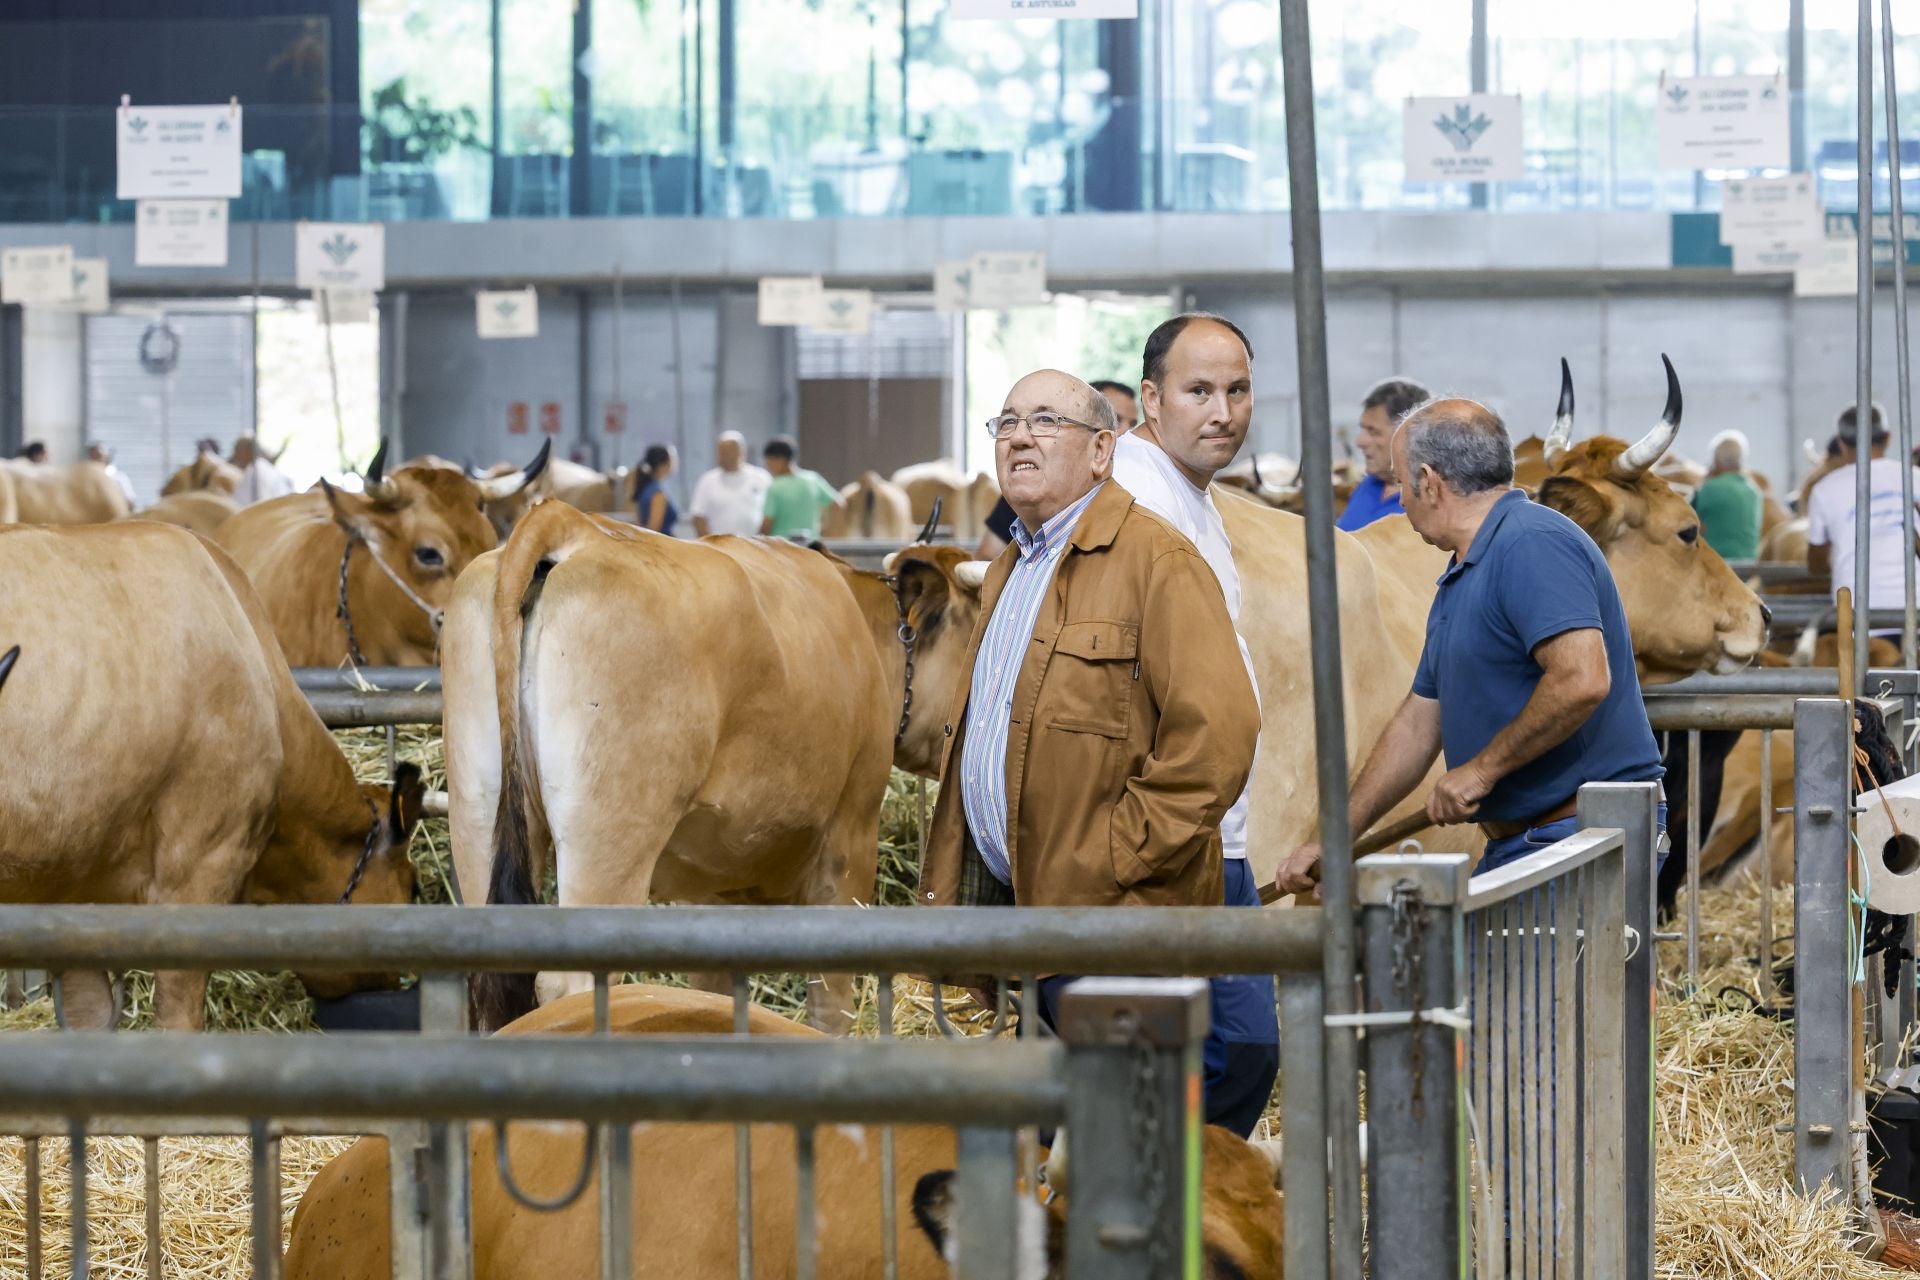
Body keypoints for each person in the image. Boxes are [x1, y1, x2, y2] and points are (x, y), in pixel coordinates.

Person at [918, 367, 1263, 1134]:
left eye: (1045, 421)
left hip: (1116, 919)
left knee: (1117, 1146)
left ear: (1102, 451)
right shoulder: (1014, 564)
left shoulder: (1156, 562)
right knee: (1064, 1142)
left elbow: (1221, 733)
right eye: (1005, 423)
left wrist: (1116, 855)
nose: (1019, 437)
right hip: (1037, 918)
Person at [1274, 398, 1665, 893]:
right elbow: (1420, 721)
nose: (1398, 501)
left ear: (1429, 483)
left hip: (1581, 836)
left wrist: (1480, 772)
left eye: (1401, 482)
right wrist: (1336, 838)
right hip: (1526, 839)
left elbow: (1583, 678)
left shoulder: (1531, 542)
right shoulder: (1462, 574)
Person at [1114, 311, 1279, 1126]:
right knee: (1234, 1047)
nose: (1223, 411)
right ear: (1152, 398)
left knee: (1224, 1047)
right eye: (1199, 391)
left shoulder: (1189, 497)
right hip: (1177, 834)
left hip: (1212, 830)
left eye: (1238, 390)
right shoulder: (1141, 501)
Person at [975, 377, 1139, 558]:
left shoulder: (1147, 538)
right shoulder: (1029, 489)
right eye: (1008, 422)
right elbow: (987, 554)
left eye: (1132, 425)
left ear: (1100, 447)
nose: (1124, 433)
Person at [1806, 403, 1920, 619]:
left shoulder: (1824, 490)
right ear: (1888, 438)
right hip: (1916, 613)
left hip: (1856, 620)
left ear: (1841, 443)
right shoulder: (1916, 478)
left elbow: (1816, 565)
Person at [1336, 376, 1431, 531]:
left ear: (1408, 434)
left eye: (1373, 432)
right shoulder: (1368, 485)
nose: (1360, 442)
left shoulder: (1427, 504)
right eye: (1363, 429)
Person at [1691, 430, 1763, 560]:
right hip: (1747, 566)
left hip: (1715, 565)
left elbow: (1684, 520)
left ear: (1716, 460)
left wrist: (1704, 482)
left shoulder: (1709, 488)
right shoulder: (1753, 491)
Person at [688, 431, 771, 538]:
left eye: (729, 452)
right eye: (721, 452)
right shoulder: (707, 480)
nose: (725, 456)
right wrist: (709, 544)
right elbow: (698, 517)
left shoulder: (761, 478)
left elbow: (770, 515)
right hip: (719, 549)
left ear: (741, 452)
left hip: (754, 547)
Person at [759, 437, 844, 539]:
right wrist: (830, 533)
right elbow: (839, 504)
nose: (768, 466)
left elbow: (767, 524)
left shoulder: (775, 487)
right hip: (811, 547)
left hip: (782, 548)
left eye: (769, 461)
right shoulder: (813, 479)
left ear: (780, 459)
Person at [230, 436, 295, 506]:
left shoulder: (256, 471)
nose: (237, 455)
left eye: (239, 451)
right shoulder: (261, 469)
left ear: (247, 452)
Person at [632, 443, 680, 534]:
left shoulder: (644, 488)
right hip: (662, 544)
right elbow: (653, 530)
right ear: (662, 465)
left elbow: (639, 523)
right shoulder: (657, 493)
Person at [87, 444, 138, 508]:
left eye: (98, 456)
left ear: (106, 457)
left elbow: (130, 502)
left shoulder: (118, 478)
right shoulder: (84, 480)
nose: (96, 460)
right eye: (92, 457)